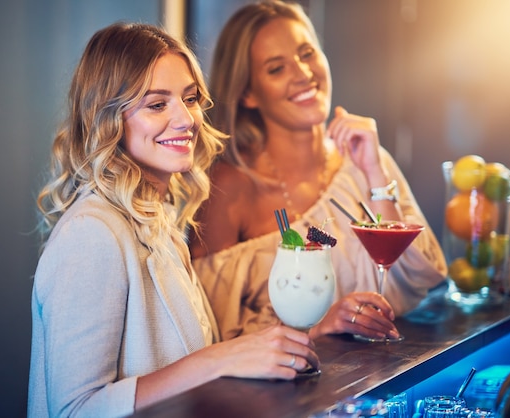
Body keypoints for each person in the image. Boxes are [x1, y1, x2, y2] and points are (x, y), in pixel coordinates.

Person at [27, 22, 319, 417]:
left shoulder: (158, 222)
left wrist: (307, 332)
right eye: (157, 104)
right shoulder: (91, 232)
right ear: (107, 117)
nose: (186, 120)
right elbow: (75, 409)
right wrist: (217, 359)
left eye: (191, 98)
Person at [189, 1, 447, 342]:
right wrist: (315, 327)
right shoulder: (229, 185)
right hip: (285, 389)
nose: (302, 73)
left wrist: (372, 170)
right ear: (248, 93)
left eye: (307, 53)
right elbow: (208, 329)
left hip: (388, 370)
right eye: (277, 68)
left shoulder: (366, 158)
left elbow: (420, 278)